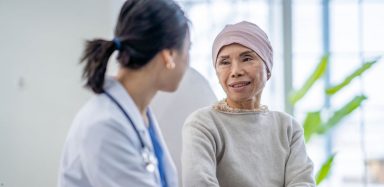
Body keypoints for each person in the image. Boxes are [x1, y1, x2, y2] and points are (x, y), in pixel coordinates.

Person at [58, 0, 190, 186]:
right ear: (169, 56)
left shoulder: (136, 112)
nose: (188, 61)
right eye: (188, 49)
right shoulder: (105, 125)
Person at [181, 21, 315, 187]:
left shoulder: (288, 127)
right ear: (216, 71)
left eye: (247, 58)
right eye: (224, 62)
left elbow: (302, 183)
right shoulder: (203, 124)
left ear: (267, 68)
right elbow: (198, 183)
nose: (236, 71)